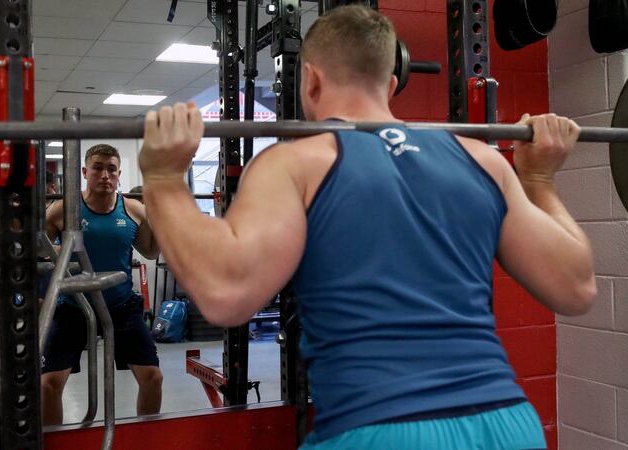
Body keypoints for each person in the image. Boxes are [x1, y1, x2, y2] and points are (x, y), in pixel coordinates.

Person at [136, 5, 596, 449]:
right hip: (507, 425)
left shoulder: (297, 163)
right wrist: (538, 179)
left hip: (377, 430)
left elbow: (225, 291)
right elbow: (576, 287)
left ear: (310, 79)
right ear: (392, 83)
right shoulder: (482, 159)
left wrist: (163, 177)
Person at [41, 144, 162, 425]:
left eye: (111, 169)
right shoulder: (63, 209)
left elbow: (151, 252)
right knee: (47, 385)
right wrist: (56, 251)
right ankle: (57, 443)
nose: (105, 175)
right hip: (73, 305)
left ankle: (146, 439)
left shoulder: (133, 210)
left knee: (153, 377)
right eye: (97, 167)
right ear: (85, 171)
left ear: (119, 174)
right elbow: (36, 249)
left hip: (120, 306)